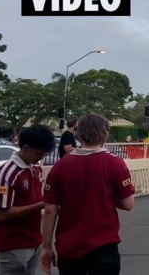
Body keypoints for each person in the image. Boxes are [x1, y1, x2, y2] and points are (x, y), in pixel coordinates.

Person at [40, 114, 135, 275]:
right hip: (103, 247)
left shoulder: (61, 166)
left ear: (78, 134)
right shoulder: (115, 163)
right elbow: (128, 204)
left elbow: (50, 209)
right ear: (105, 134)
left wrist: (46, 247)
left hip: (69, 248)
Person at [0, 125, 55, 275]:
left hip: (33, 240)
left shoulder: (34, 167)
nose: (42, 157)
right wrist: (40, 205)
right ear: (26, 148)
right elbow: (2, 214)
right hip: (13, 245)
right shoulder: (7, 173)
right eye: (39, 153)